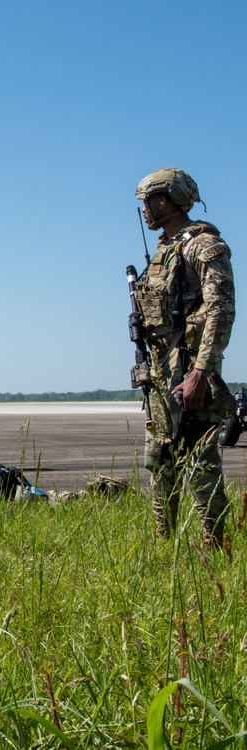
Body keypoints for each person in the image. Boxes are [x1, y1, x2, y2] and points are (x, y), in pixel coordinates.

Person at [133, 167, 235, 550]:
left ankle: (216, 546)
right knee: (159, 460)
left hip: (190, 372)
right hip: (160, 375)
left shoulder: (202, 245)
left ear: (165, 200)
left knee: (201, 464)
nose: (144, 210)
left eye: (148, 201)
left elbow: (220, 311)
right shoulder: (164, 250)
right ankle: (164, 543)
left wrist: (201, 372)